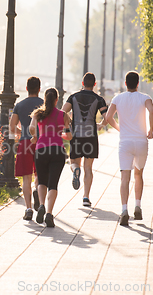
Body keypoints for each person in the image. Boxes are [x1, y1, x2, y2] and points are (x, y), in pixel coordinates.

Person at [105, 71, 153, 226]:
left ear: (125, 83)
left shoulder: (118, 98)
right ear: (138, 83)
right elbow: (152, 111)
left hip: (125, 143)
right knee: (139, 174)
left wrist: (119, 128)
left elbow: (108, 117)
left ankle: (124, 210)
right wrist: (151, 130)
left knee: (124, 177)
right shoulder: (145, 98)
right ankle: (138, 206)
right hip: (141, 142)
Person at [62, 72, 107, 207]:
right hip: (91, 136)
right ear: (94, 84)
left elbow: (62, 112)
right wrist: (101, 125)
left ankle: (75, 170)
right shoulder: (99, 99)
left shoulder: (73, 97)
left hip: (76, 136)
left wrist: (68, 125)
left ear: (82, 83)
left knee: (73, 162)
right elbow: (107, 116)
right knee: (88, 167)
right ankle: (86, 197)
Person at [29, 88, 72, 227]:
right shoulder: (63, 115)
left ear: (44, 99)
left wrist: (35, 136)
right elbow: (69, 136)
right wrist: (62, 134)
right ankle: (49, 213)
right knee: (53, 184)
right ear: (56, 100)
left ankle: (41, 205)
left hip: (41, 149)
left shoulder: (38, 114)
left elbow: (31, 128)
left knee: (42, 181)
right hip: (57, 151)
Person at [10, 76, 43, 220]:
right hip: (41, 142)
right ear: (39, 89)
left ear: (26, 88)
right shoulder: (44, 104)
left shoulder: (19, 105)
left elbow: (12, 127)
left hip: (24, 142)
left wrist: (21, 133)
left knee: (26, 177)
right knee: (39, 174)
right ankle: (38, 192)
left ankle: (28, 208)